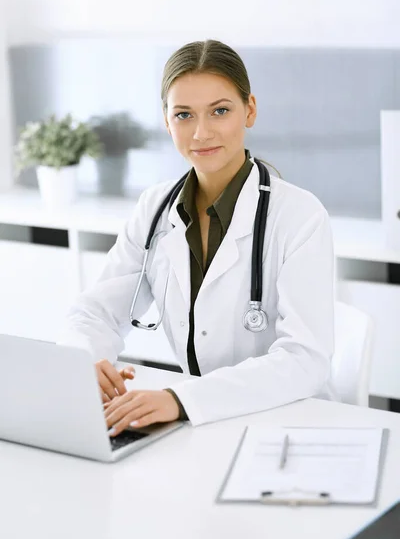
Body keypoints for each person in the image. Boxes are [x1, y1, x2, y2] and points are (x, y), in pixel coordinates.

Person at [60, 39, 336, 435]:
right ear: (166, 121)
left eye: (220, 111)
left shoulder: (299, 216)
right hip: (199, 427)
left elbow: (304, 361)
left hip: (288, 423)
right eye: (184, 114)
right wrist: (86, 361)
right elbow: (94, 312)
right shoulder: (155, 208)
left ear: (250, 110)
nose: (202, 132)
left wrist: (180, 400)